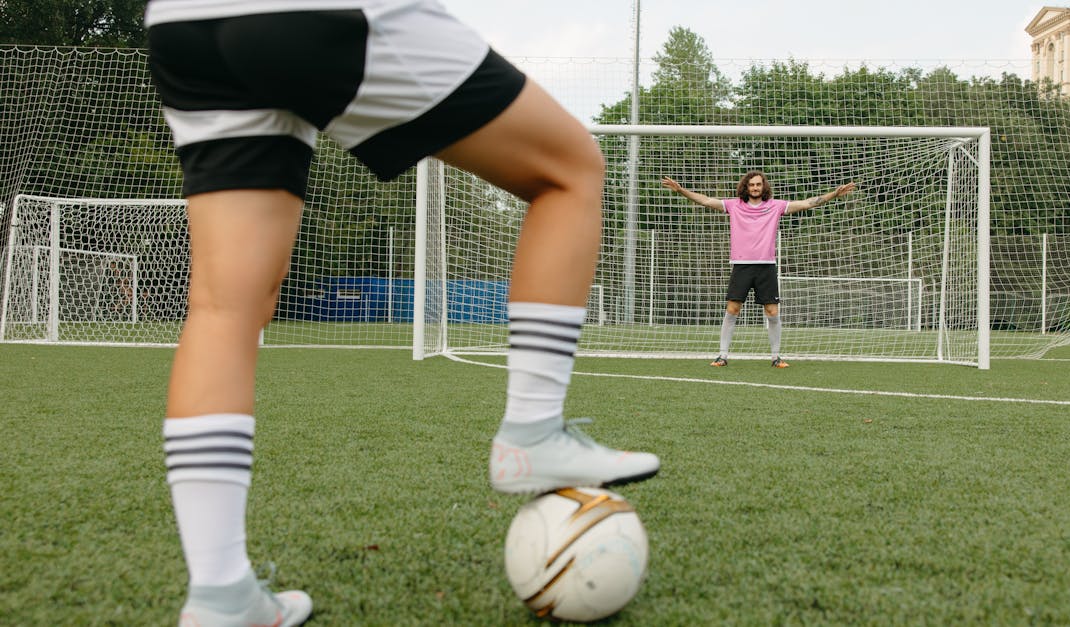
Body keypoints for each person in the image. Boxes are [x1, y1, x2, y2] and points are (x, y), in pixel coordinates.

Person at [145, 1, 659, 624]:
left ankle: (221, 597)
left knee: (224, 305)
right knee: (569, 169)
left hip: (183, 24)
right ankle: (534, 432)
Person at [661, 171, 855, 368]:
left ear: (764, 187)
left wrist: (833, 194)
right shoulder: (734, 205)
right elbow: (706, 200)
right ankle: (722, 355)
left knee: (772, 311)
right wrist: (681, 190)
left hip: (766, 266)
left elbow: (807, 203)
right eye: (752, 185)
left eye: (758, 184)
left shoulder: (776, 206)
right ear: (746, 187)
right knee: (732, 309)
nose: (755, 188)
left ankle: (776, 357)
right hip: (741, 265)